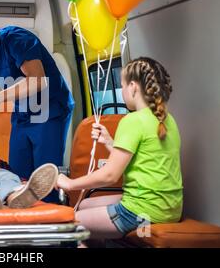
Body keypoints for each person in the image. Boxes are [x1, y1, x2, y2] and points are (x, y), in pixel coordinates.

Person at [56, 57, 183, 241]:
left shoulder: (132, 120)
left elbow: (110, 176)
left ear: (133, 87)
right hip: (169, 209)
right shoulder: (168, 120)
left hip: (142, 212)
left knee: (65, 227)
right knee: (84, 205)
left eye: (122, 86)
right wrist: (109, 142)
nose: (122, 91)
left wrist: (69, 183)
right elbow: (142, 161)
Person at [0, 13, 74, 202]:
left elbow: (37, 81)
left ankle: (47, 221)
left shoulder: (16, 39)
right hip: (22, 113)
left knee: (44, 175)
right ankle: (18, 216)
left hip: (49, 110)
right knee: (17, 172)